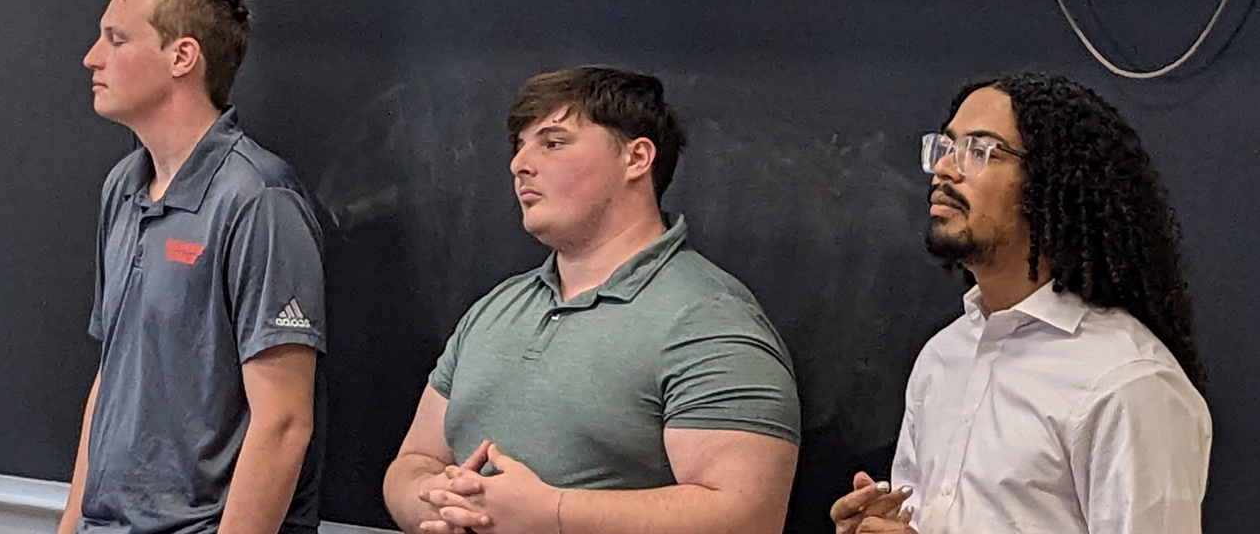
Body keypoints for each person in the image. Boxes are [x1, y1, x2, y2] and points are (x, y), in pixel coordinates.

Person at [383, 66, 801, 534]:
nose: (520, 164)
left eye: (553, 142)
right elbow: (414, 461)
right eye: (519, 145)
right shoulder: (495, 309)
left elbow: (748, 517)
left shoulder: (710, 320)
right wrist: (435, 503)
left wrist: (553, 513)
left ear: (636, 158)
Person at [830, 72, 1212, 534]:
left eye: (980, 150)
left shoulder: (1128, 382)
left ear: (1052, 180)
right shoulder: (943, 357)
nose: (945, 168)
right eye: (946, 147)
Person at [56, 0, 327, 534]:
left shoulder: (259, 199)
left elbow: (283, 423)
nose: (92, 57)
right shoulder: (122, 186)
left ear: (182, 56)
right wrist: (71, 523)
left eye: (116, 39)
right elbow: (112, 377)